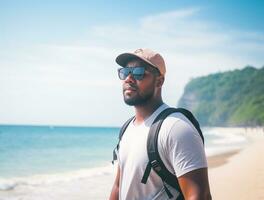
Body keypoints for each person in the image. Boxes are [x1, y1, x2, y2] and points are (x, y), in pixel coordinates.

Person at [109, 48, 211, 200]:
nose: (129, 78)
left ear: (159, 81)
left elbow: (199, 196)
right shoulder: (127, 128)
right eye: (125, 72)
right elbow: (119, 186)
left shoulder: (176, 128)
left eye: (138, 72)